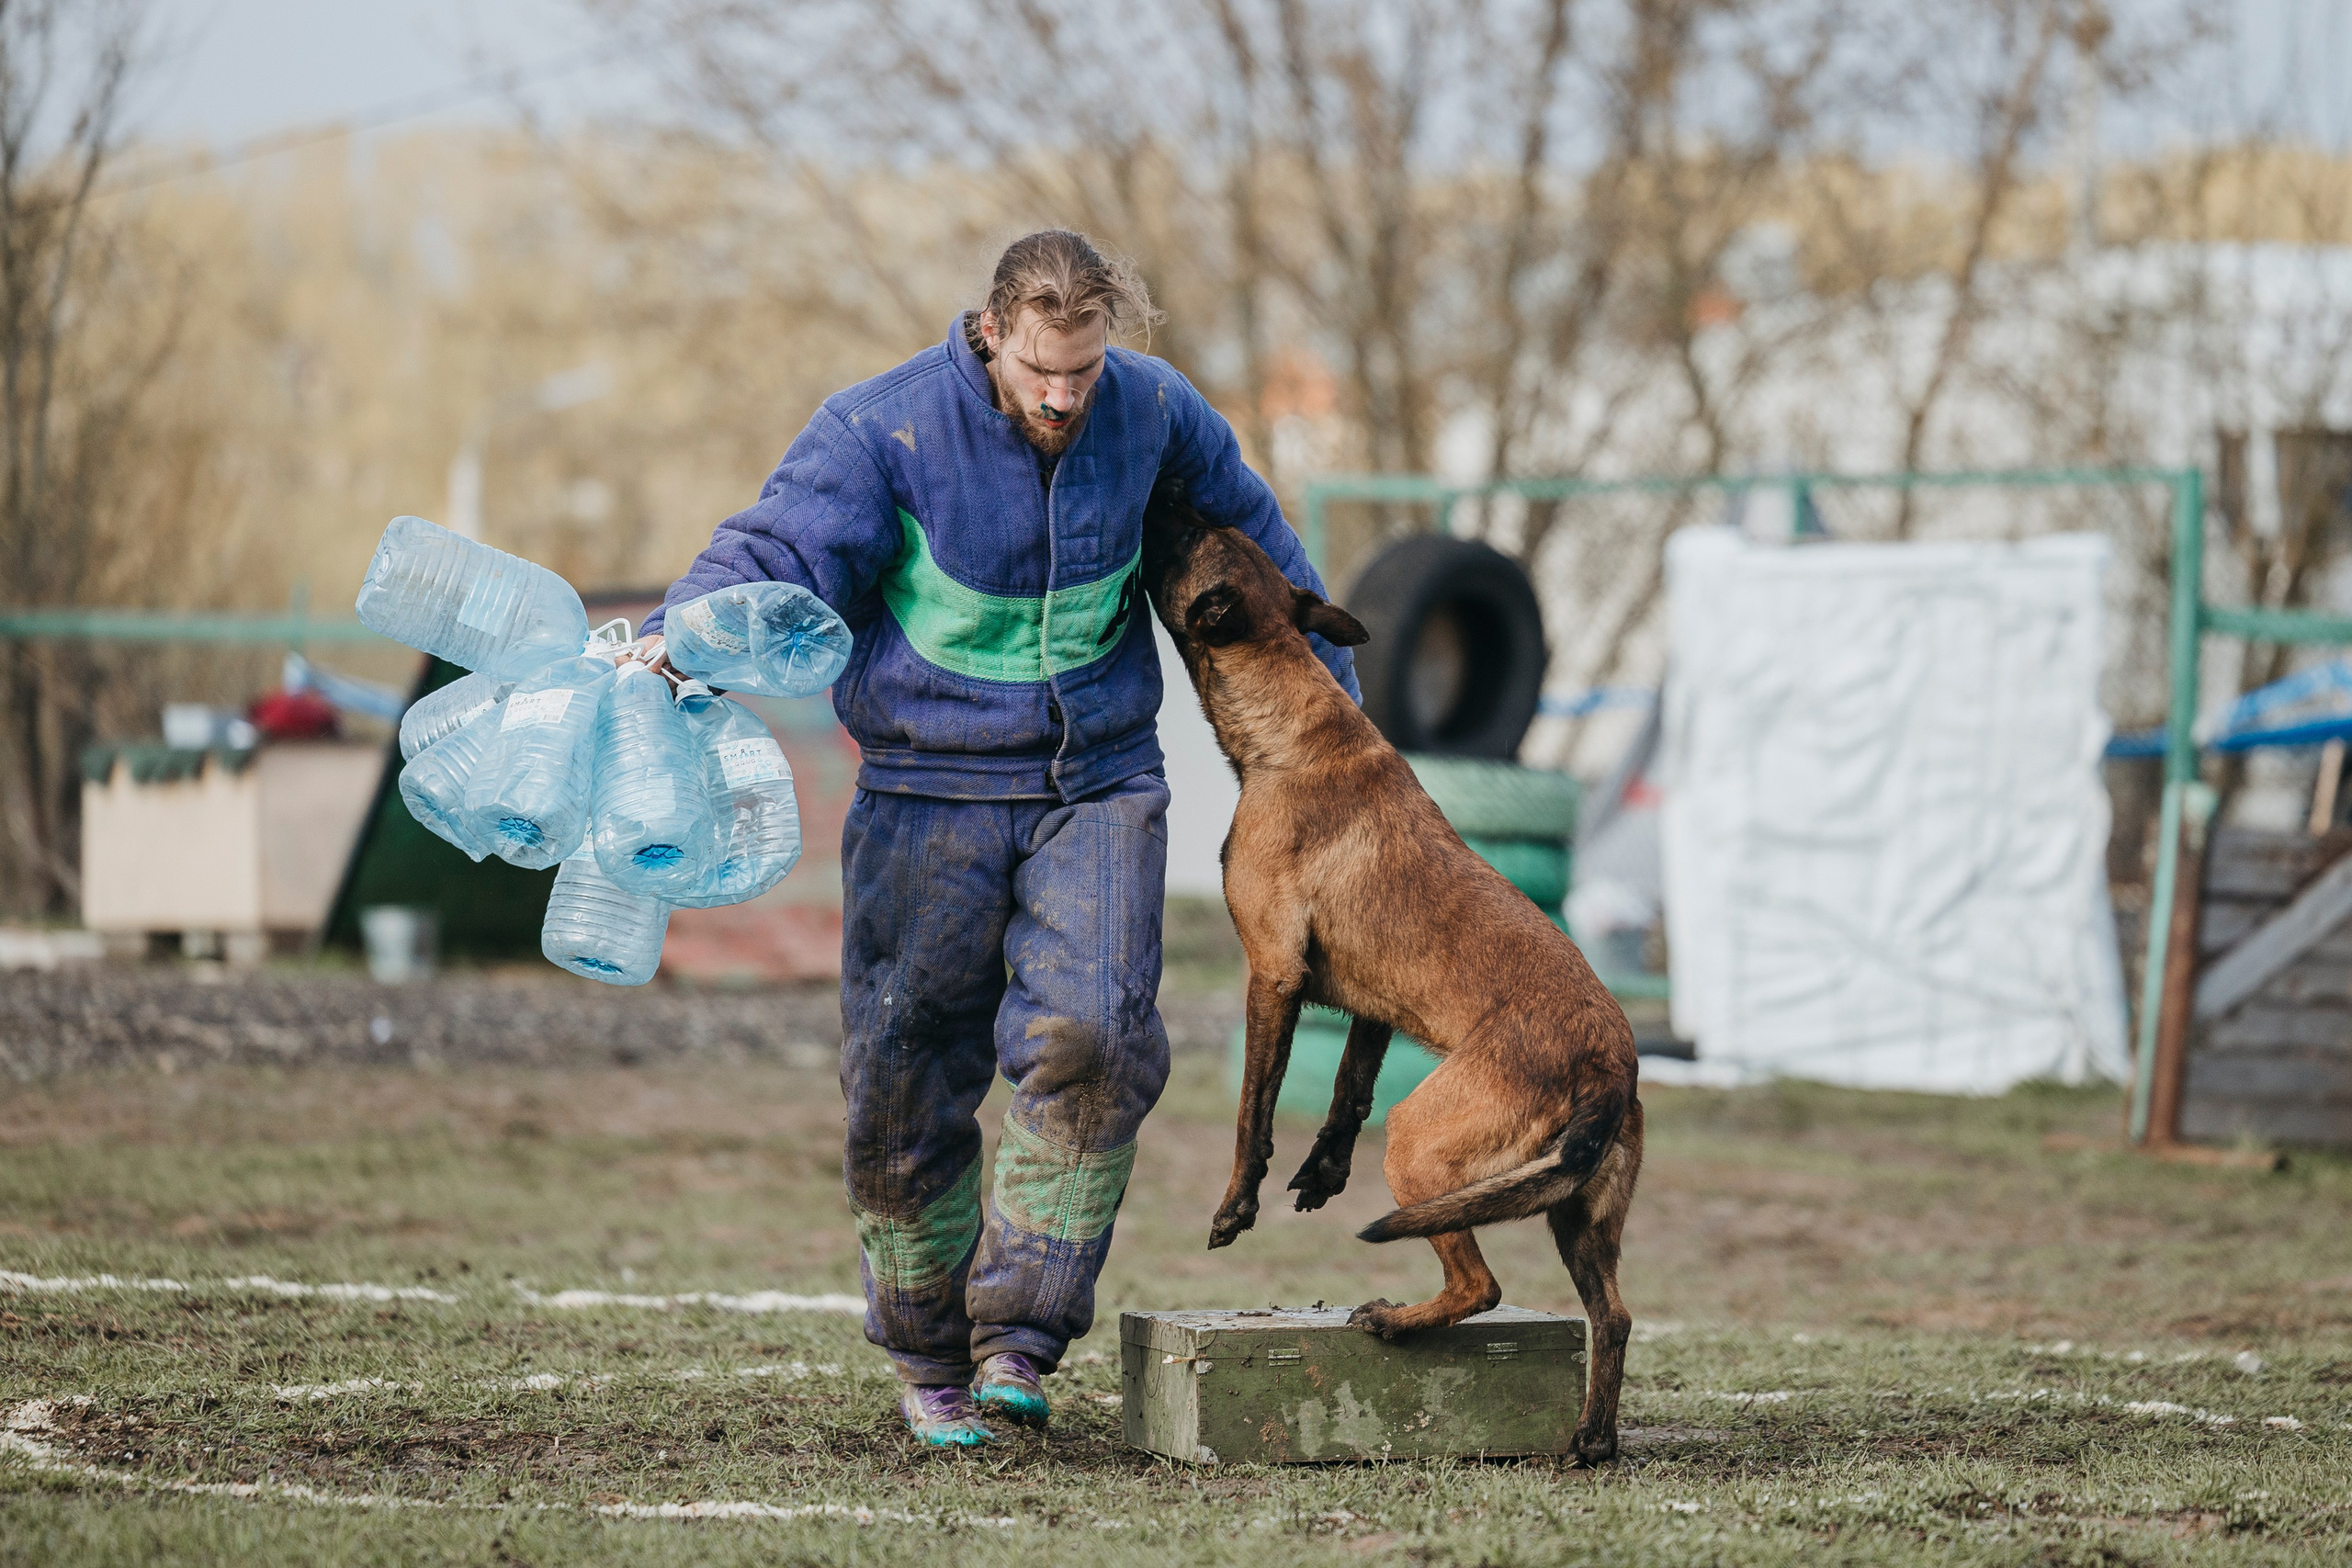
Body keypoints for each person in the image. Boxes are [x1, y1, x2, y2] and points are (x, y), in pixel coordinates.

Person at [639, 230, 1358, 1447]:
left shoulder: (1157, 414)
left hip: (1100, 782)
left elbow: (1268, 556)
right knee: (906, 1069)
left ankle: (1022, 1340)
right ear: (990, 334)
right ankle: (928, 1357)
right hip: (926, 788)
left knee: (1097, 1035)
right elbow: (777, 551)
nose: (1063, 398)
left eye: (1083, 370)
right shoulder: (885, 431)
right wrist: (679, 636)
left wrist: (1344, 722)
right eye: (1040, 371)